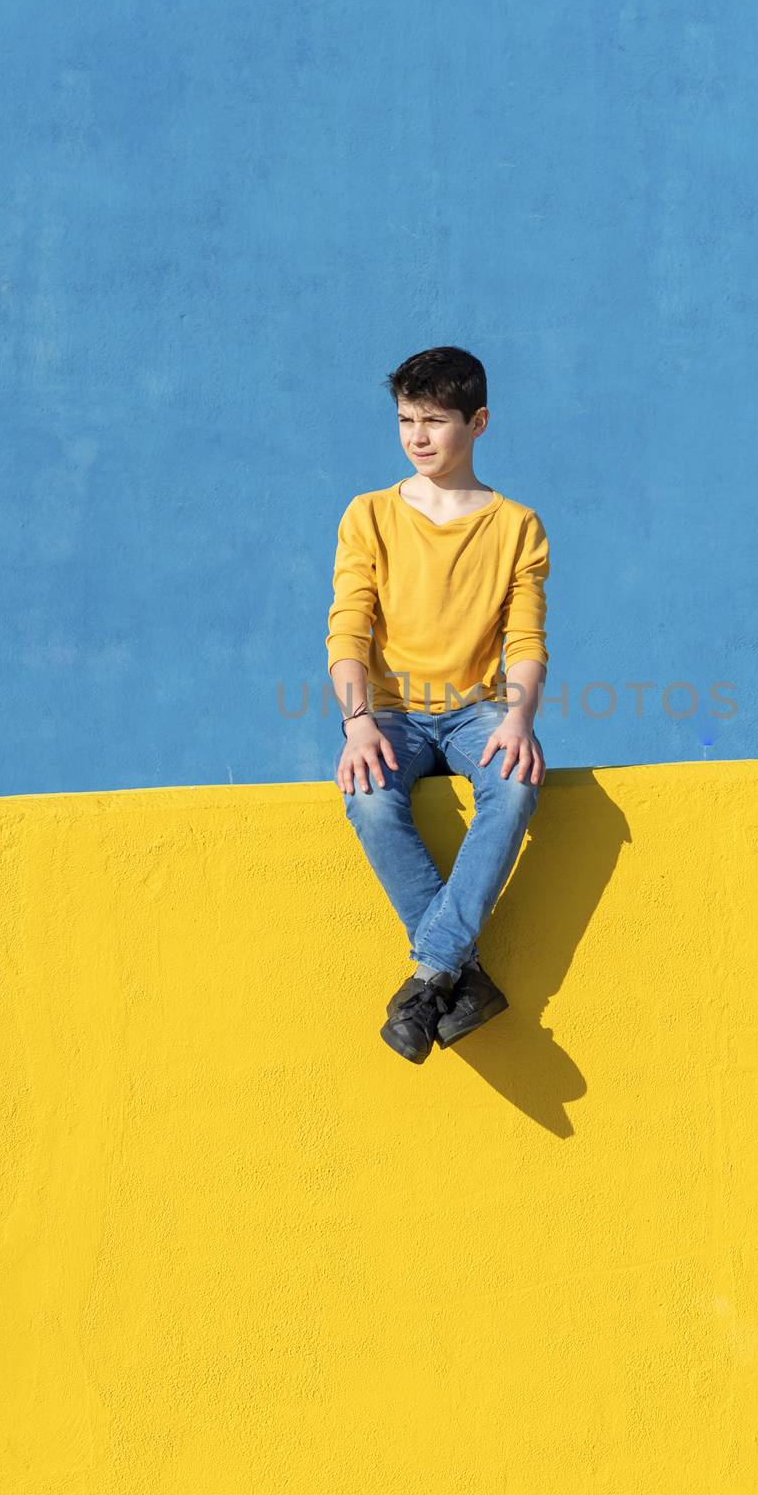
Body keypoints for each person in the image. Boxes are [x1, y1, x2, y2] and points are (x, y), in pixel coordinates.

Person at [325, 346, 550, 1065]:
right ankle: (460, 975)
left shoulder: (517, 525)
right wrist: (357, 723)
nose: (417, 436)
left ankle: (431, 974)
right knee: (366, 797)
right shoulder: (369, 515)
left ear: (477, 422)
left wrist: (518, 718)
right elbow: (348, 627)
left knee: (514, 786)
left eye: (435, 421)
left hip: (476, 709)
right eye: (405, 420)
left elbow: (526, 637)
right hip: (389, 711)